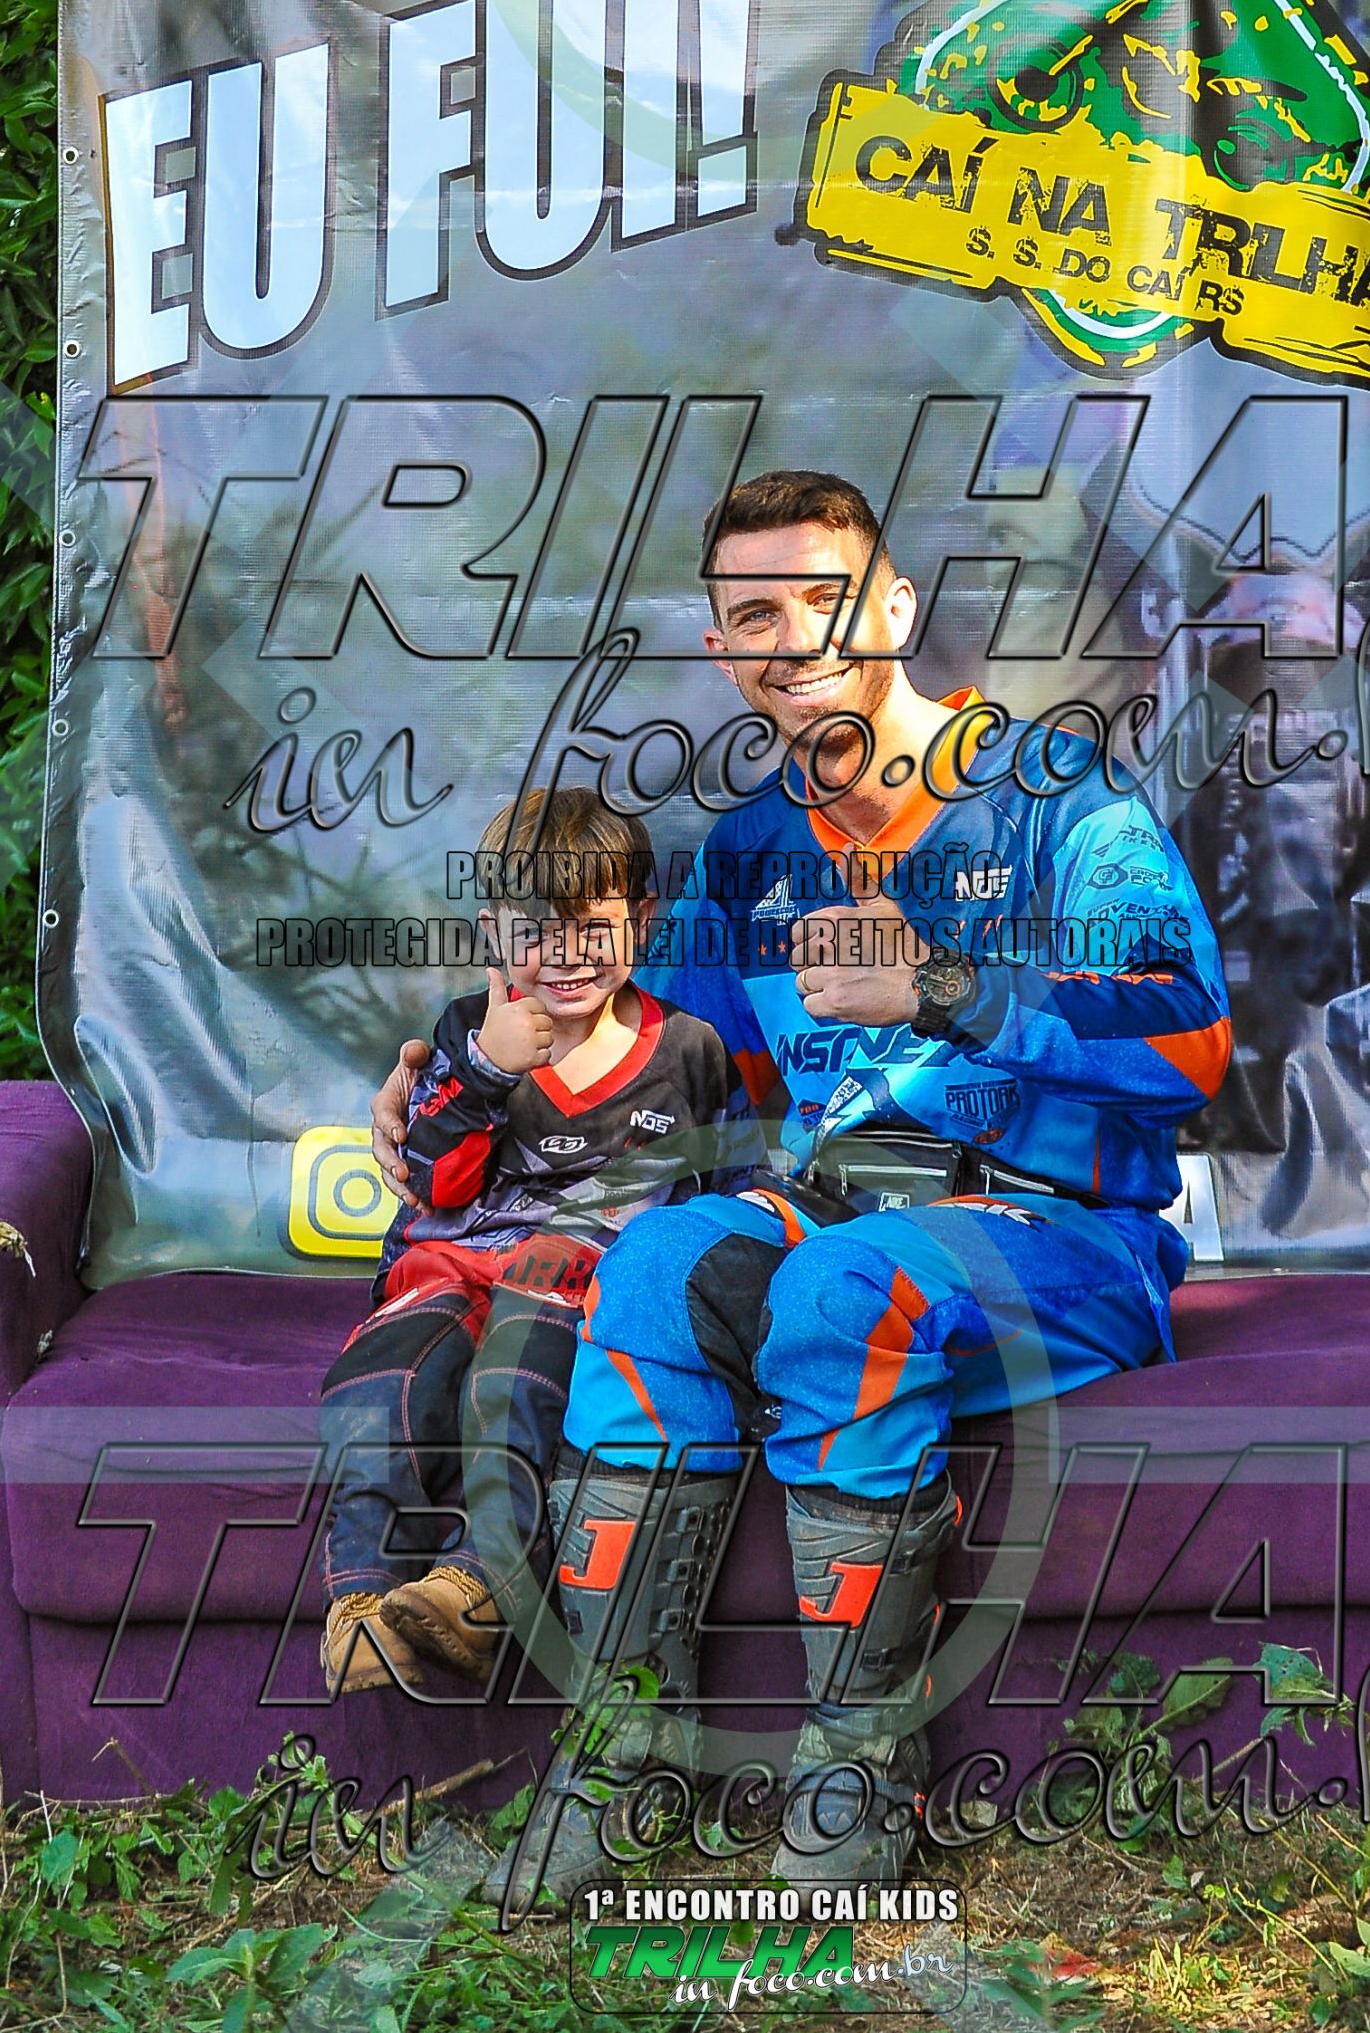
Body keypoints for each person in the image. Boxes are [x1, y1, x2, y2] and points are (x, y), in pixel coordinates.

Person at [368, 469, 1232, 1890]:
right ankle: (626, 1749)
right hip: (840, 1198)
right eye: (755, 613)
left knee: (842, 1288)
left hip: (1064, 1226)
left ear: (895, 606)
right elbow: (639, 1058)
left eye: (825, 597)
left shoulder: (1059, 795)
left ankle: (858, 1770)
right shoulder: (750, 854)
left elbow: (1192, 1040)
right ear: (722, 650)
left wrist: (945, 984)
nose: (796, 636)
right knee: (657, 1269)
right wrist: (452, 1079)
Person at [319, 787, 763, 1695]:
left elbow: (732, 1190)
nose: (564, 956)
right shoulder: (465, 1033)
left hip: (572, 1280)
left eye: (592, 928)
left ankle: (476, 1587)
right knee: (384, 1378)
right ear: (492, 932)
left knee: (516, 1374)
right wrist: (484, 1070)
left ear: (642, 921)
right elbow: (430, 1180)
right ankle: (360, 1599)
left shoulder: (691, 1051)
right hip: (448, 1264)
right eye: (534, 931)